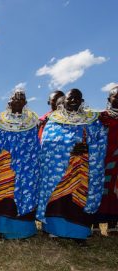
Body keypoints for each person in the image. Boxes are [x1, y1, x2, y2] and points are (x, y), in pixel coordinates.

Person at [37, 88, 107, 242]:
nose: (73, 100)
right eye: (70, 98)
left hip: (83, 168)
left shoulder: (92, 121)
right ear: (64, 101)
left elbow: (101, 141)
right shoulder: (54, 121)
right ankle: (54, 231)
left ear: (82, 101)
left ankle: (79, 234)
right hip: (59, 169)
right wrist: (68, 148)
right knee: (58, 201)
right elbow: (47, 144)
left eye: (77, 98)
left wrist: (90, 147)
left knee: (80, 201)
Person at [0, 89, 40, 240]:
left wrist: (29, 161)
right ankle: (4, 231)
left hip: (27, 166)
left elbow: (34, 143)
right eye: (15, 98)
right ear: (9, 102)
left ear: (25, 103)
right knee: (6, 196)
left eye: (22, 99)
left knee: (26, 194)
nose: (18, 101)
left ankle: (24, 232)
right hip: (5, 164)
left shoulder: (33, 121)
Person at [94, 86, 118, 234]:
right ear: (109, 99)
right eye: (116, 96)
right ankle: (95, 225)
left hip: (117, 160)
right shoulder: (101, 117)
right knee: (98, 190)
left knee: (114, 191)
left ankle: (113, 224)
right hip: (101, 159)